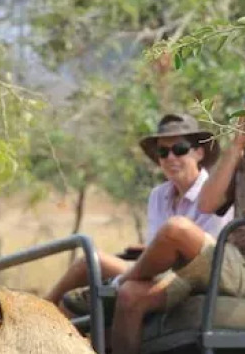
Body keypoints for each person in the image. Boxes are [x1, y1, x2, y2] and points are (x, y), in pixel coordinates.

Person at [46, 113, 232, 338]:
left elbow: (206, 257)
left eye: (180, 149)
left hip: (191, 276)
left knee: (92, 266)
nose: (171, 157)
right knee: (74, 298)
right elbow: (155, 249)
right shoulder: (159, 195)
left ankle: (32, 315)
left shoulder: (213, 193)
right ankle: (41, 322)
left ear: (199, 152)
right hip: (156, 270)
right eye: (163, 152)